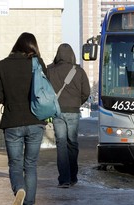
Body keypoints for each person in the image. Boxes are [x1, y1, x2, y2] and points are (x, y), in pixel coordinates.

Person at [0, 32, 47, 205]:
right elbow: (46, 91)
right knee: (30, 165)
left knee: (15, 165)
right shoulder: (37, 64)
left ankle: (19, 189)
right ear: (31, 47)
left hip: (12, 122)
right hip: (35, 121)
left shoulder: (1, 66)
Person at [47, 43, 90, 188]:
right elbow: (86, 92)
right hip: (73, 111)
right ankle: (73, 177)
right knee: (72, 143)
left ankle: (64, 179)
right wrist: (77, 102)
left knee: (61, 144)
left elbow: (44, 90)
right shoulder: (79, 71)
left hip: (57, 111)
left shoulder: (50, 70)